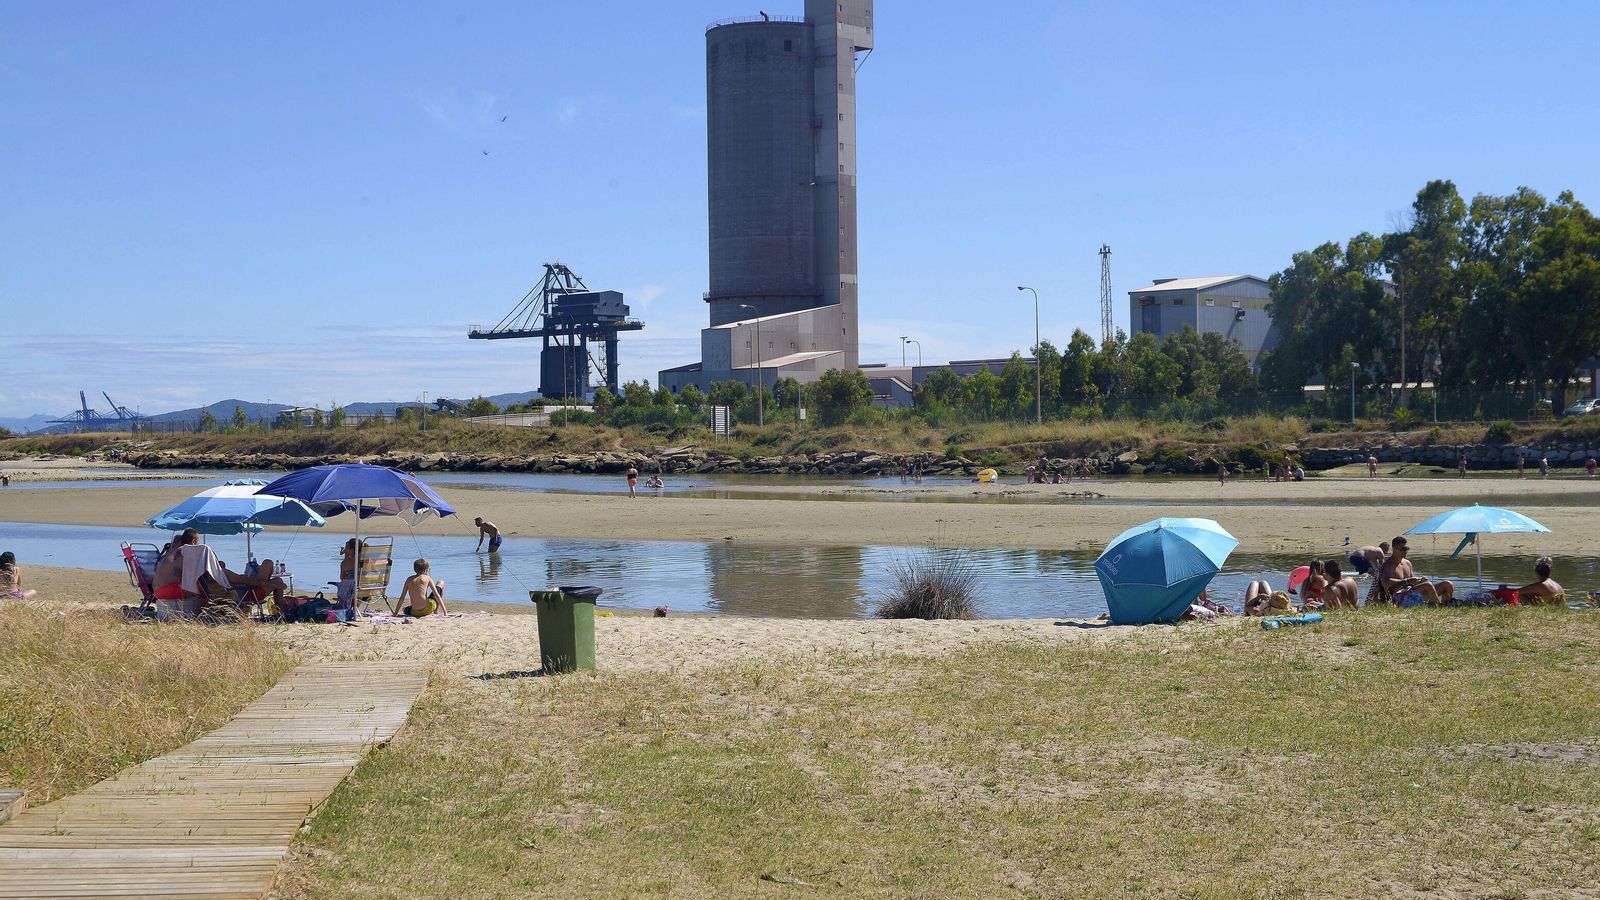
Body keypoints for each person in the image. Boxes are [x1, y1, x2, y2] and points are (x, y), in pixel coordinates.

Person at [1378, 536, 1453, 606]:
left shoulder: (1407, 563)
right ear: (1394, 549)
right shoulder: (1388, 564)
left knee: (1448, 584)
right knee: (1428, 585)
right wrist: (1407, 581)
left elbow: (1413, 583)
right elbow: (1385, 583)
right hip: (1400, 598)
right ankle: (1438, 607)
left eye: (1406, 548)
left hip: (1413, 592)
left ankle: (1445, 605)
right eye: (1403, 549)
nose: (1405, 551)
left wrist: (1420, 581)